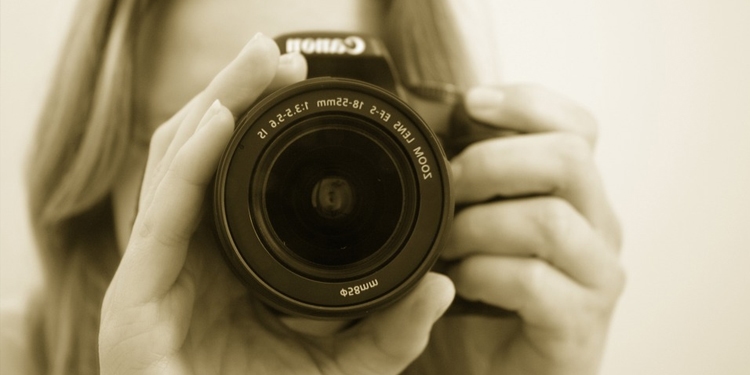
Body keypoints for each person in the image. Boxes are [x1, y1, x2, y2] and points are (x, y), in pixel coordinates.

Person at [5, 0, 624, 374]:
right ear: (101, 157)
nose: (316, 188)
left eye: (355, 134)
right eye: (226, 132)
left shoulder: (486, 344)